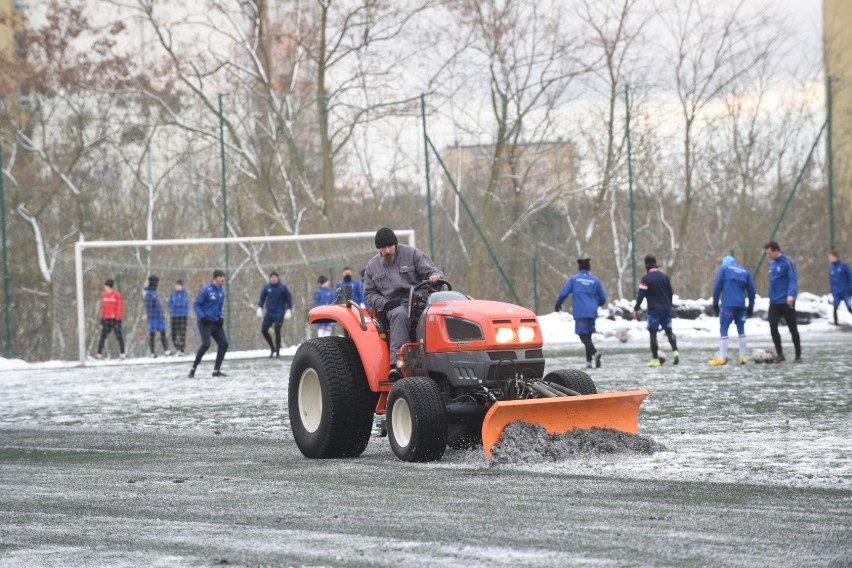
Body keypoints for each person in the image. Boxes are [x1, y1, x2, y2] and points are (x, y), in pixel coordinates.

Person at [364, 227, 443, 379]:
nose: (387, 251)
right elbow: (369, 293)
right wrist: (385, 304)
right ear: (379, 249)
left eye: (390, 246)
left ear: (396, 244)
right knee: (400, 315)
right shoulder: (372, 267)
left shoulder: (412, 254)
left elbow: (432, 271)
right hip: (394, 305)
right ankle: (398, 365)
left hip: (419, 298)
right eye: (383, 248)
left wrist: (435, 277)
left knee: (441, 311)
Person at [555, 258, 607, 369]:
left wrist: (558, 304)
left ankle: (595, 353)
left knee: (583, 336)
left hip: (580, 312)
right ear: (589, 267)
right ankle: (589, 361)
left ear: (579, 267)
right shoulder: (595, 280)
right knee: (588, 335)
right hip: (592, 312)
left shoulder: (574, 279)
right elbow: (603, 298)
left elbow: (564, 293)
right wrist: (596, 305)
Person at [633, 254, 679, 367]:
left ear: (646, 265)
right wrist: (669, 305)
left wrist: (636, 308)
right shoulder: (664, 277)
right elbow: (670, 292)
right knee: (669, 331)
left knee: (653, 334)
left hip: (654, 311)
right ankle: (675, 352)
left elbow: (641, 295)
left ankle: (655, 359)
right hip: (666, 309)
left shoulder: (646, 279)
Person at [708, 256, 756, 366]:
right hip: (741, 306)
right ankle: (743, 357)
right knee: (741, 330)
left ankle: (721, 358)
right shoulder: (745, 271)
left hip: (728, 305)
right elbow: (752, 290)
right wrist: (751, 306)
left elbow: (717, 286)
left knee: (724, 328)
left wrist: (715, 303)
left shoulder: (724, 269)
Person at [764, 241, 801, 363]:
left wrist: (791, 295)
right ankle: (780, 354)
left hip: (786, 301)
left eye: (769, 253)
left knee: (792, 328)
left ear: (776, 251)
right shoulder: (771, 264)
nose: (768, 255)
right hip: (774, 302)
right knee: (773, 325)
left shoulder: (788, 263)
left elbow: (793, 280)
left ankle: (798, 356)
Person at [189, 269, 229, 378]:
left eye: (223, 276)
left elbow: (220, 308)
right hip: (205, 322)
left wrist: (221, 317)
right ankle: (193, 368)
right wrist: (202, 316)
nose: (222, 279)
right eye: (220, 276)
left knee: (224, 344)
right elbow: (196, 304)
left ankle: (216, 370)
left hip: (215, 322)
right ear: (215, 278)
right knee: (206, 344)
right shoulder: (206, 290)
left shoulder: (222, 292)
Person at [257, 272, 293, 357]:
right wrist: (260, 308)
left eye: (275, 277)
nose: (273, 279)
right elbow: (262, 298)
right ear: (270, 278)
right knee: (264, 330)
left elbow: (289, 299)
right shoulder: (267, 287)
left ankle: (278, 351)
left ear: (278, 278)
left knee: (277, 331)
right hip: (269, 313)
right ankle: (272, 347)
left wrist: (289, 309)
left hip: (279, 312)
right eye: (272, 277)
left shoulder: (283, 287)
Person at [95, 278, 125, 360]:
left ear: (109, 287)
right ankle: (99, 354)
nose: (105, 288)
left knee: (119, 336)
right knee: (102, 336)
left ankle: (122, 353)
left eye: (106, 286)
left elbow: (120, 307)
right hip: (107, 320)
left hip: (115, 320)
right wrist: (102, 317)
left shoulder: (117, 295)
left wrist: (118, 318)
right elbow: (103, 308)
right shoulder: (104, 295)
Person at [144, 275, 171, 358]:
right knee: (153, 334)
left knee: (163, 333)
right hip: (153, 318)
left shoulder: (153, 293)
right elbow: (149, 308)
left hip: (159, 318)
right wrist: (151, 317)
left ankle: (166, 351)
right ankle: (152, 352)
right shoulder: (149, 294)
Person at [828, 250, 852, 326]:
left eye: (831, 257)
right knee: (835, 306)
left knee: (849, 307)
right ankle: (836, 322)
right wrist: (831, 289)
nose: (830, 259)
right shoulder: (831, 268)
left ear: (836, 257)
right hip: (837, 291)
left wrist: (850, 287)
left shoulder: (843, 266)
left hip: (845, 290)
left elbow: (850, 276)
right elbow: (832, 279)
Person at [167, 279, 190, 356]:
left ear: (182, 286)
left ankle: (182, 350)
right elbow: (169, 304)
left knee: (182, 333)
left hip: (182, 316)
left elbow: (183, 303)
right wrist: (175, 304)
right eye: (176, 285)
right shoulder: (172, 295)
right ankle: (177, 348)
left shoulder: (185, 294)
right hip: (174, 316)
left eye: (178, 286)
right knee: (173, 333)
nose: (176, 287)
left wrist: (175, 304)